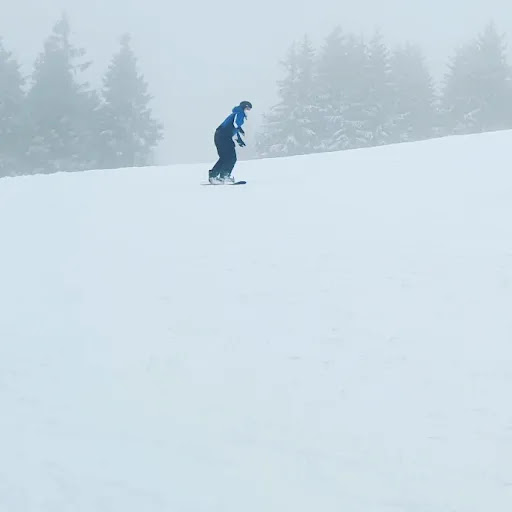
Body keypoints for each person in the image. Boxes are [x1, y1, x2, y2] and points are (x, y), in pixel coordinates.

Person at [209, 101, 252, 184]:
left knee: (225, 157)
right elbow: (236, 124)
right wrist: (239, 130)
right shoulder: (240, 113)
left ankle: (213, 176)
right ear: (244, 107)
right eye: (248, 109)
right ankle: (225, 176)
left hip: (220, 136)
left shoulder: (236, 113)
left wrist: (238, 139)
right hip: (224, 136)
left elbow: (232, 127)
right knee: (231, 157)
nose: (248, 111)